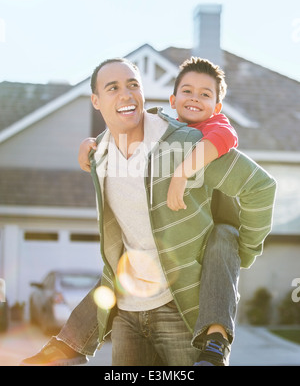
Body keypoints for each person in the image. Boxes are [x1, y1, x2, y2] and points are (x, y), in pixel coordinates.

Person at [21, 57, 276, 367]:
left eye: (133, 85)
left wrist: (243, 251)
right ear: (96, 101)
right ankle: (66, 347)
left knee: (224, 237)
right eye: (113, 87)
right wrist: (89, 144)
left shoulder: (187, 145)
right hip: (127, 317)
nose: (126, 94)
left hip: (181, 311)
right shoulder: (99, 156)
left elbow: (261, 188)